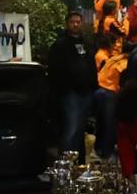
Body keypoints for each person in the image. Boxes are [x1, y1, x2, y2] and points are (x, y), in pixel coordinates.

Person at [46, 10, 97, 158]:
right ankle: (66, 162)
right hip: (69, 94)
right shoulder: (59, 45)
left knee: (81, 130)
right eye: (72, 22)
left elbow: (91, 66)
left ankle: (79, 162)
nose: (75, 25)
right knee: (71, 129)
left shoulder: (86, 44)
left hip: (86, 93)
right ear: (67, 24)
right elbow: (54, 71)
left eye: (78, 22)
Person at [93, 34, 127, 160]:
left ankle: (99, 149)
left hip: (100, 90)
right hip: (108, 91)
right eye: (114, 43)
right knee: (109, 124)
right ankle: (107, 152)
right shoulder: (104, 57)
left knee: (102, 122)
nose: (115, 46)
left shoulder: (109, 57)